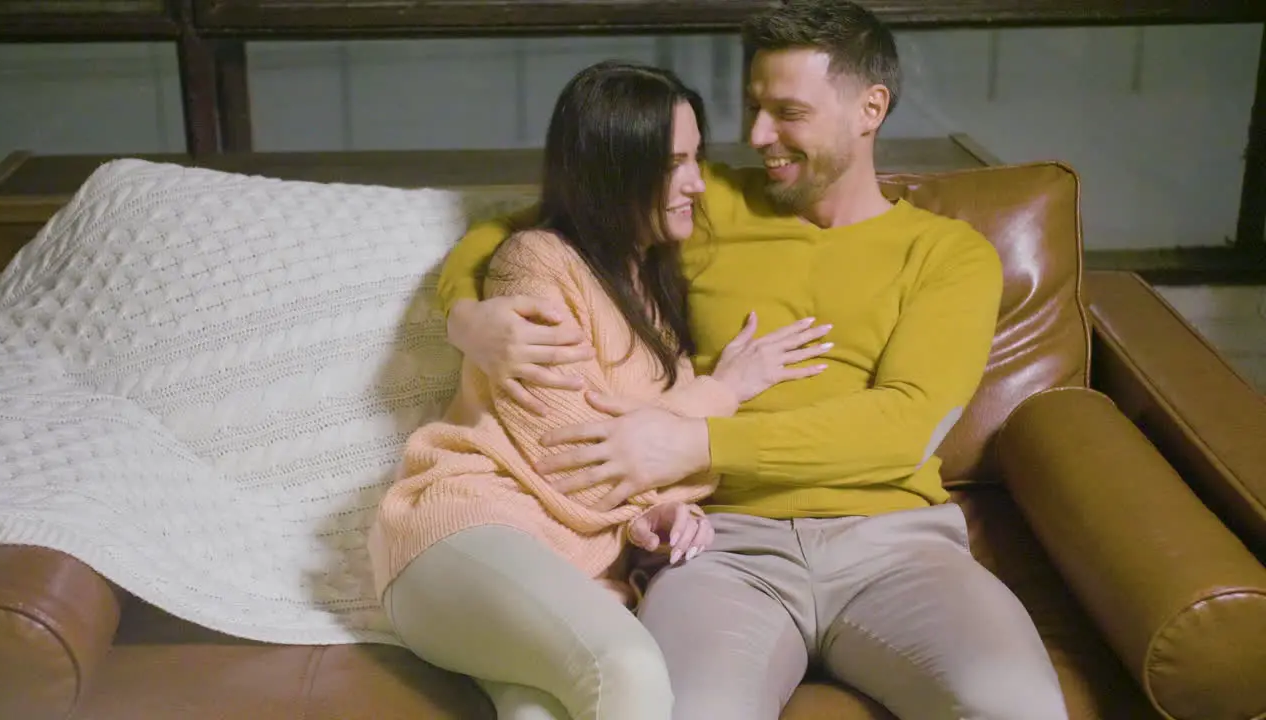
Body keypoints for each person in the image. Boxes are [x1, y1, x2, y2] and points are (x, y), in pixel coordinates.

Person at [434, 2, 1072, 720]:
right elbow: (516, 227)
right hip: (719, 547)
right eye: (754, 108)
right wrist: (465, 316)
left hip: (896, 544)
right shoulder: (710, 206)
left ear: (871, 107)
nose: (760, 137)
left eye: (789, 112)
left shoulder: (948, 255)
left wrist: (699, 439)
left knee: (1019, 708)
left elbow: (908, 426)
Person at [367, 60, 832, 720]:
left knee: (543, 712)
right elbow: (577, 457)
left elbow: (636, 469)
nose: (699, 185)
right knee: (629, 668)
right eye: (677, 163)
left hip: (567, 570)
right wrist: (717, 394)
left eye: (698, 158)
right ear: (615, 169)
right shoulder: (537, 265)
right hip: (464, 532)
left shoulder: (651, 285)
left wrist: (659, 514)